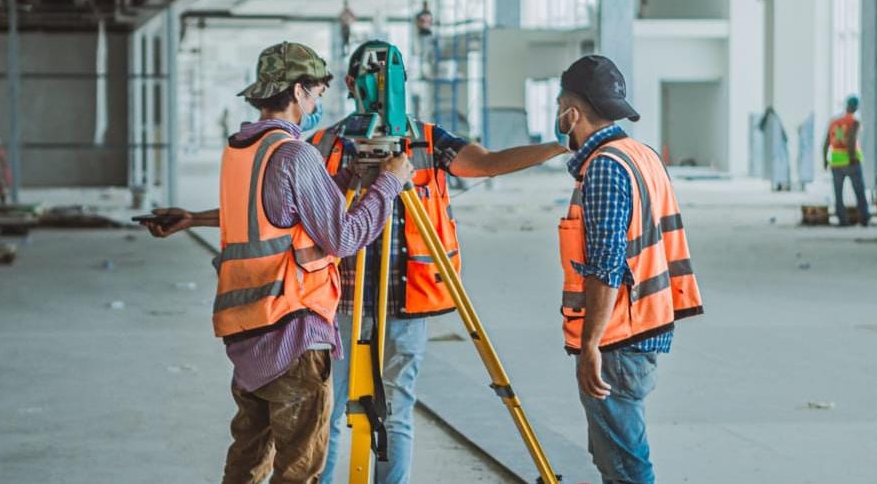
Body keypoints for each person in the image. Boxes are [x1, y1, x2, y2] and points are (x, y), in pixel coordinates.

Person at [147, 41, 413, 484]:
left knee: (247, 461)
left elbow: (269, 214)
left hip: (247, 329)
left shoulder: (241, 150)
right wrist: (388, 184)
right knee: (299, 469)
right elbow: (344, 237)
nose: (316, 105)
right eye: (315, 94)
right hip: (293, 330)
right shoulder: (295, 154)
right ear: (297, 92)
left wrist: (345, 179)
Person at [310, 40, 568, 484]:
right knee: (332, 408)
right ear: (352, 83)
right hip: (340, 302)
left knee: (397, 407)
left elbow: (485, 164)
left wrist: (557, 147)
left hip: (409, 302)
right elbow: (287, 209)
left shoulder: (428, 140)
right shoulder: (327, 143)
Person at [556, 55, 703, 484]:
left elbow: (605, 267)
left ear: (572, 112)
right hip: (647, 326)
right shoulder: (641, 154)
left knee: (626, 467)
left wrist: (590, 347)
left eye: (559, 106)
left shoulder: (604, 167)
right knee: (617, 457)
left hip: (618, 337)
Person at [823, 95, 870, 226]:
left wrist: (825, 161)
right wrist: (851, 157)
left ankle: (842, 219)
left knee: (838, 193)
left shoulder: (834, 122)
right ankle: (865, 218)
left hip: (836, 162)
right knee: (859, 191)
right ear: (856, 107)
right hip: (851, 163)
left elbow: (826, 142)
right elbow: (851, 140)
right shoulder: (854, 121)